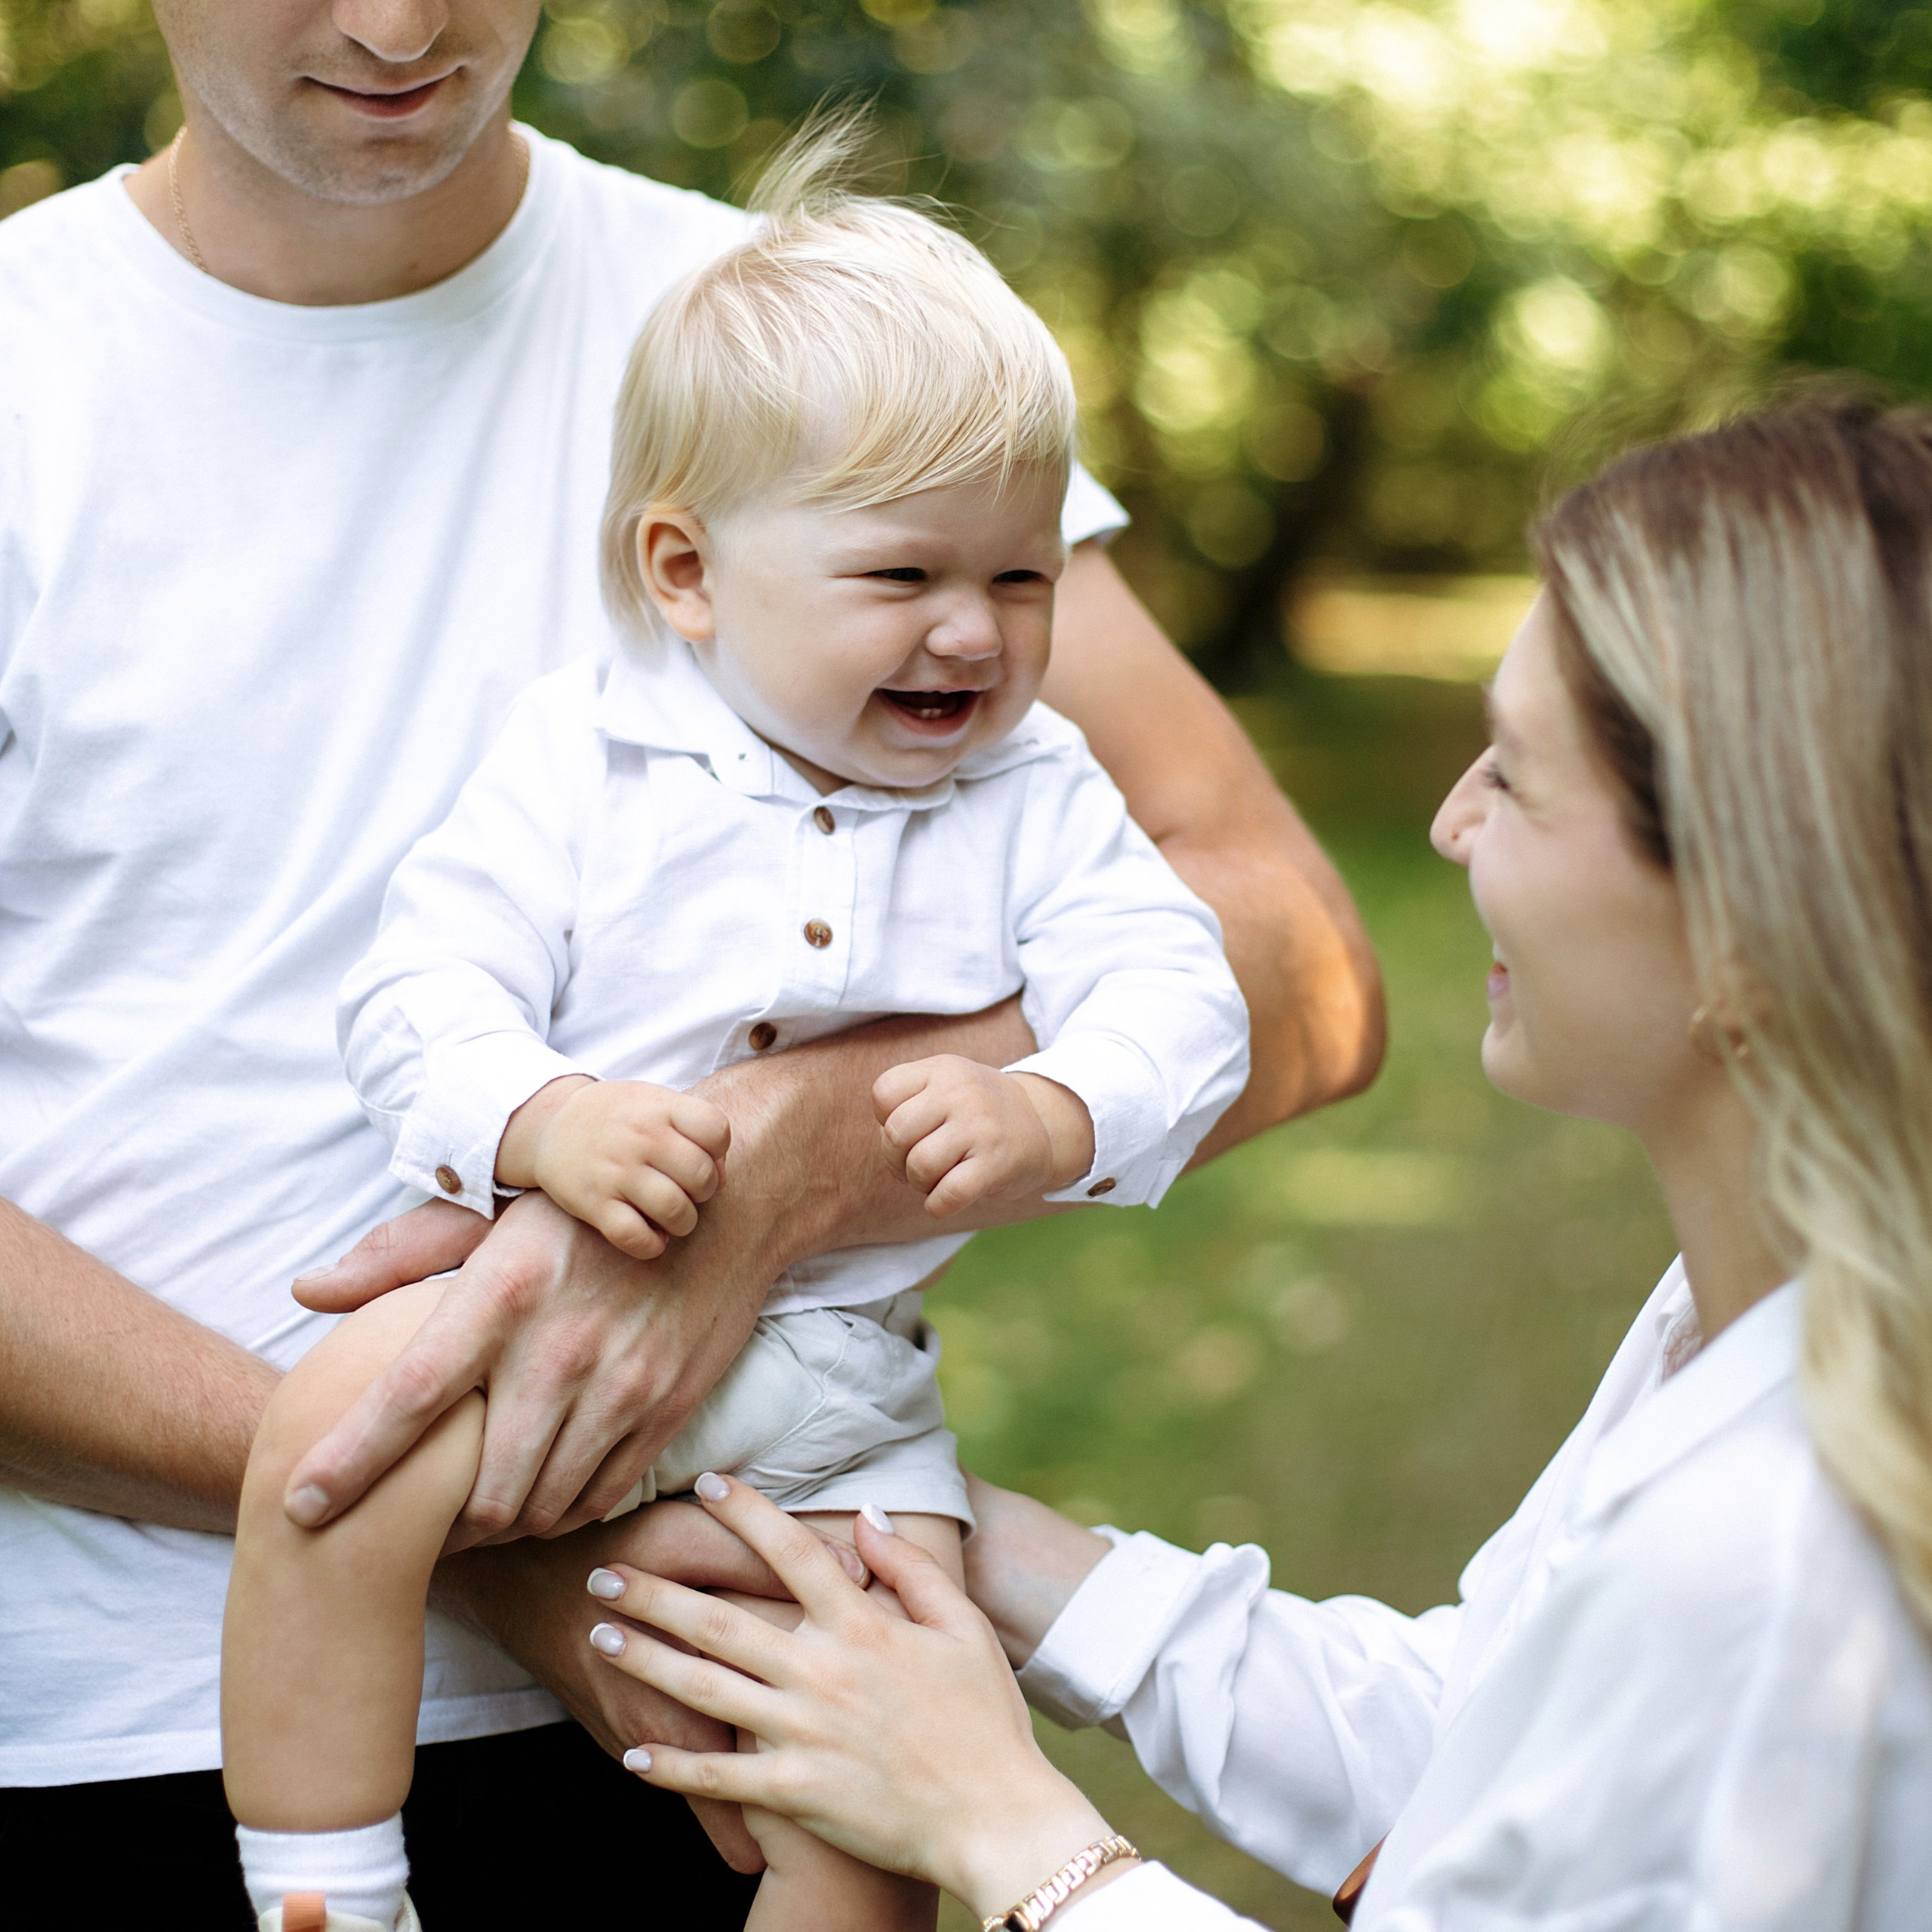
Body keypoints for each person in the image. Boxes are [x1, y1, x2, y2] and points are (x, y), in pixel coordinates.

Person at [0, 2, 1380, 1921]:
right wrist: (481, 1513)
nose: (396, 25)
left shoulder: (826, 348)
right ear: (673, 570)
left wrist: (782, 1165)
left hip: (734, 1637)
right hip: (139, 1714)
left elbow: (1286, 950)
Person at [580, 398, 1932, 1930]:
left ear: (1749, 922)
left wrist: (1008, 1828)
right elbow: (1485, 1739)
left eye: (1513, 774)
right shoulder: (1752, 1322)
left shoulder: (1773, 1556)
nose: (1448, 820)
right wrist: (938, 1525)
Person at [220, 141, 1251, 1932]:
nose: (972, 632)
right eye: (901, 573)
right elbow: (416, 990)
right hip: (540, 1310)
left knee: (875, 1774)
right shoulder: (585, 762)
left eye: (1021, 579)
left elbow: (1182, 987)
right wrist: (540, 1114)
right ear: (686, 570)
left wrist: (1058, 1105)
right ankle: (327, 1879)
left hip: (842, 1391)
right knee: (332, 1451)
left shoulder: (1035, 790)